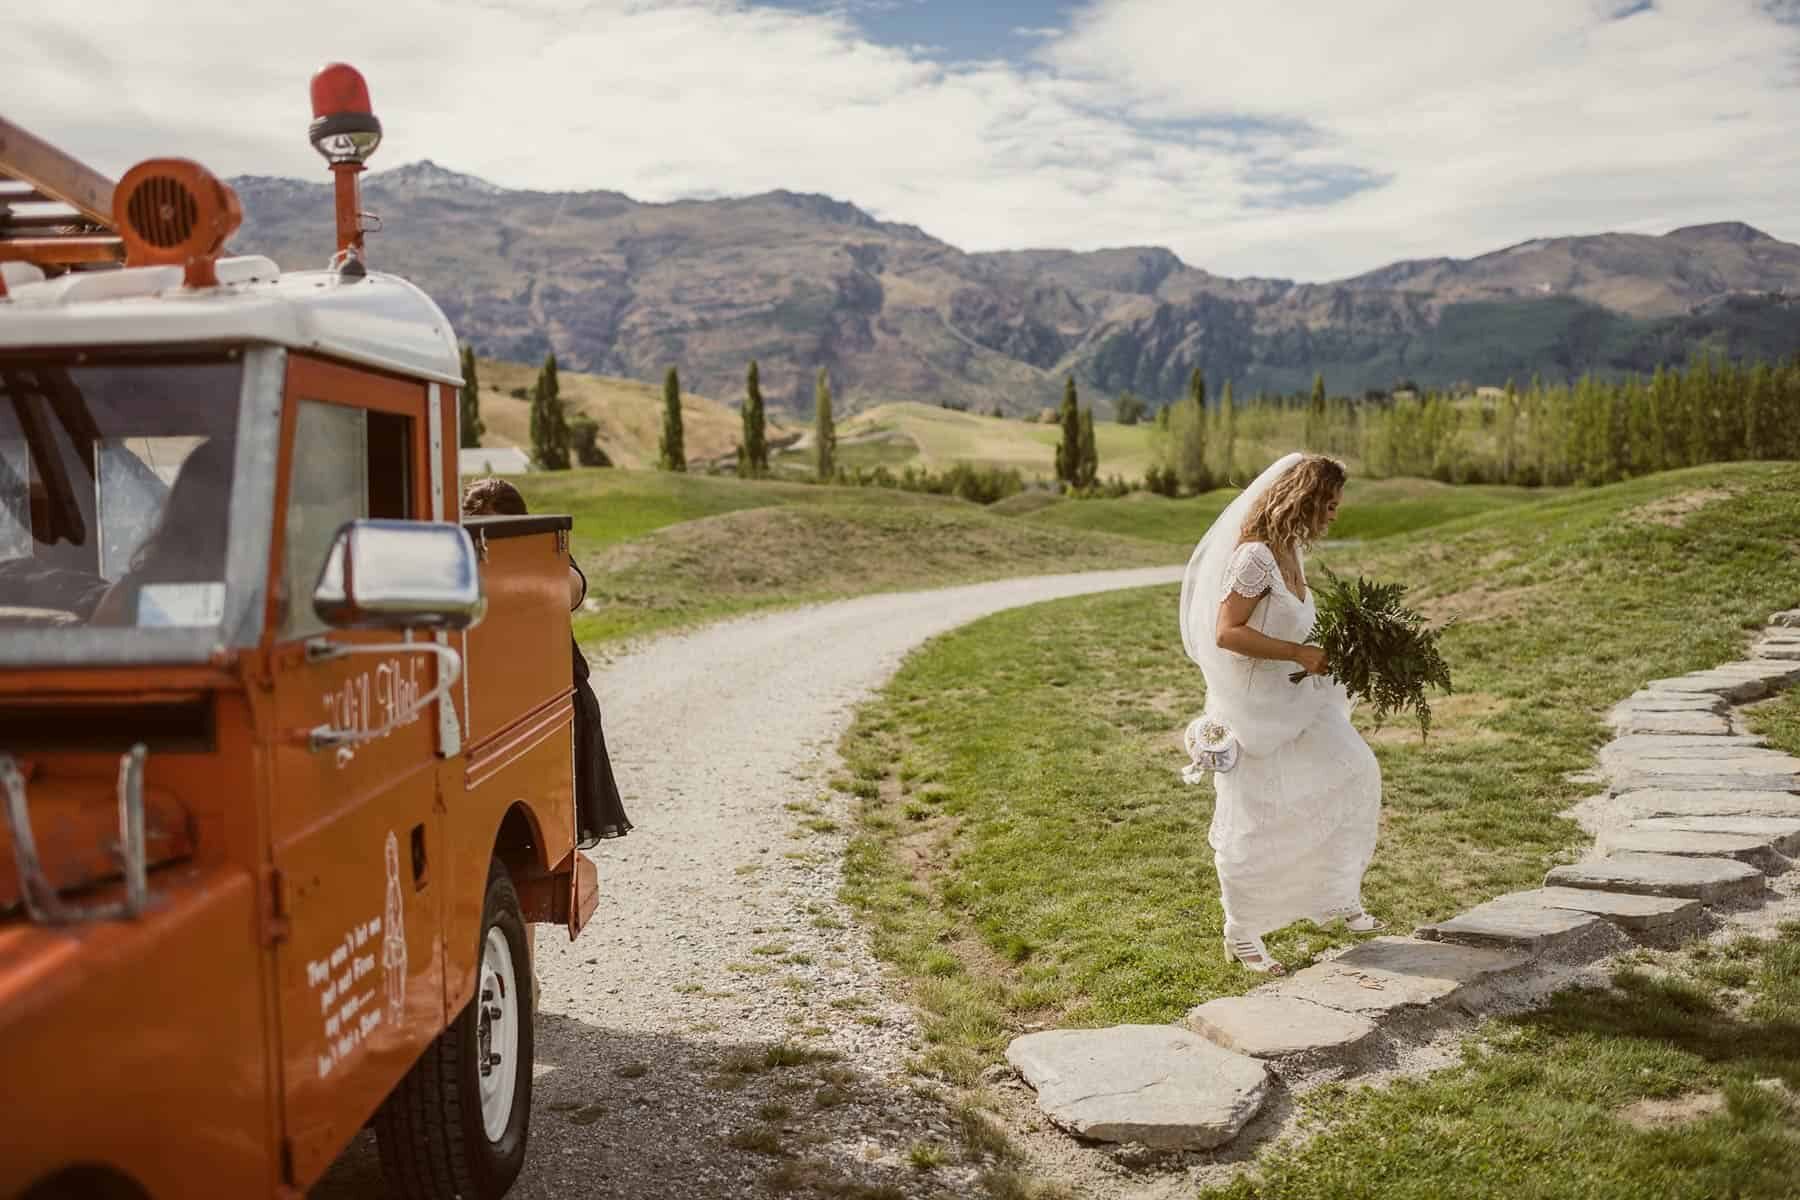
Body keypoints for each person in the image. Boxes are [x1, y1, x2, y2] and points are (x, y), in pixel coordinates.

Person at [1179, 453, 1383, 975]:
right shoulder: (1253, 557)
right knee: (1257, 815)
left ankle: (1336, 895)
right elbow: (1227, 633)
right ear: (1305, 499)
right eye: (1329, 504)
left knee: (1355, 771)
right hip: (1257, 707)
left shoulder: (1289, 549)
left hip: (1300, 697)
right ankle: (1241, 932)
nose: (1334, 514)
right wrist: (1297, 654)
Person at [461, 477, 632, 845]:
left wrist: (518, 565)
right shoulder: (458, 562)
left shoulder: (548, 557)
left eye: (493, 528)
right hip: (493, 714)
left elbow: (570, 588)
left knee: (555, 832)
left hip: (558, 704)